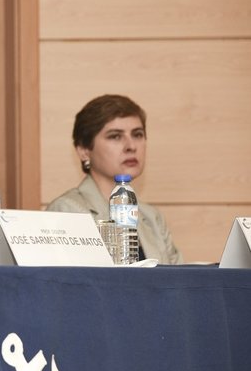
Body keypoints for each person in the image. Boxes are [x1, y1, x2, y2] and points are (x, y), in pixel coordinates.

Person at [45, 94, 183, 264]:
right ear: (84, 150)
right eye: (115, 136)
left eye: (137, 135)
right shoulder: (66, 210)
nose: (131, 146)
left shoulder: (152, 217)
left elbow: (178, 282)